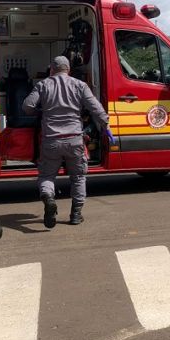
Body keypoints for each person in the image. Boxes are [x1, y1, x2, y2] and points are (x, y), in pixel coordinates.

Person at [22, 56, 109, 228]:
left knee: (47, 176)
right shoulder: (79, 85)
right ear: (68, 70)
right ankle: (76, 214)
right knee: (78, 177)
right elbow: (95, 108)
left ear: (51, 70)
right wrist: (105, 124)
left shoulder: (43, 84)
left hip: (51, 141)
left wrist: (41, 111)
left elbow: (27, 106)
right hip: (74, 140)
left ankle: (48, 197)